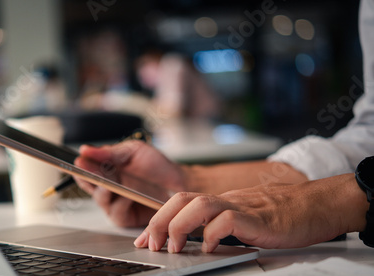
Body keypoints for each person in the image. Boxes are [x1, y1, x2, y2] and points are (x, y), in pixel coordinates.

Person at [75, 0, 374, 253]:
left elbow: (171, 110)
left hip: (214, 122)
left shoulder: (173, 64)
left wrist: (333, 202)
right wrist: (183, 182)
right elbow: (366, 143)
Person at [135, 50, 220, 119]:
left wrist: (139, 106)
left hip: (210, 118)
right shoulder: (164, 76)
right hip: (201, 120)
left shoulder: (172, 65)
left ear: (153, 62)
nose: (144, 82)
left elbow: (174, 111)